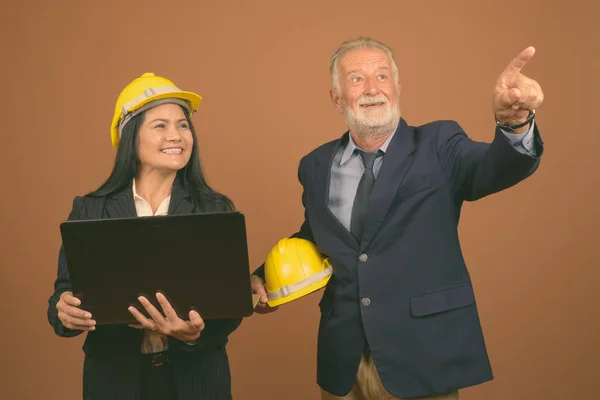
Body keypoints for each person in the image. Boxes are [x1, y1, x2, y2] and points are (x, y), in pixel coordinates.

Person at [251, 37, 544, 400]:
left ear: (398, 87)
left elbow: (493, 169)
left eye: (382, 76)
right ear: (337, 97)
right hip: (344, 361)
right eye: (356, 79)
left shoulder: (439, 142)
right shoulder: (314, 165)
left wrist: (513, 124)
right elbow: (318, 235)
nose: (372, 89)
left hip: (421, 357)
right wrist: (264, 276)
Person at [47, 72, 243, 400]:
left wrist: (192, 335)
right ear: (130, 137)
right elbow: (63, 295)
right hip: (114, 381)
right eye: (160, 125)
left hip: (196, 381)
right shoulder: (89, 209)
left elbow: (230, 307)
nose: (176, 135)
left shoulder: (215, 209)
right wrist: (63, 311)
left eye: (183, 125)